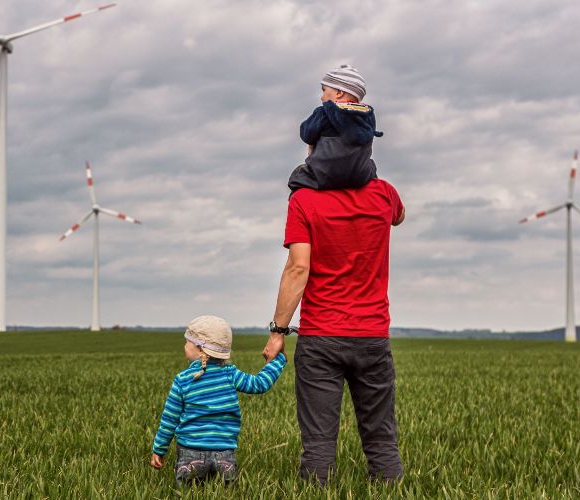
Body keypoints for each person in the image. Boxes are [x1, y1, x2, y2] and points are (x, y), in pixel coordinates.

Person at [262, 172, 406, 484]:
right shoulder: (385, 194)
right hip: (372, 336)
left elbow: (298, 267)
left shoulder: (303, 199)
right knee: (381, 437)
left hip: (320, 338)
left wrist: (278, 332)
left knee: (318, 441)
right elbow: (399, 216)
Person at [149, 315, 287, 485]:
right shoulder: (230, 374)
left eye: (187, 342)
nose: (185, 346)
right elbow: (259, 384)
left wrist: (159, 450)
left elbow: (169, 420)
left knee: (188, 494)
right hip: (225, 455)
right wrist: (278, 360)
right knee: (225, 493)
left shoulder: (183, 379)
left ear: (200, 349)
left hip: (190, 453)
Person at [288, 64, 383, 193]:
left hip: (324, 174)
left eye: (324, 90)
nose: (322, 97)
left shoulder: (324, 112)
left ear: (339, 92)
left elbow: (307, 134)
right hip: (360, 176)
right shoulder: (367, 115)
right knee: (371, 165)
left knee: (296, 177)